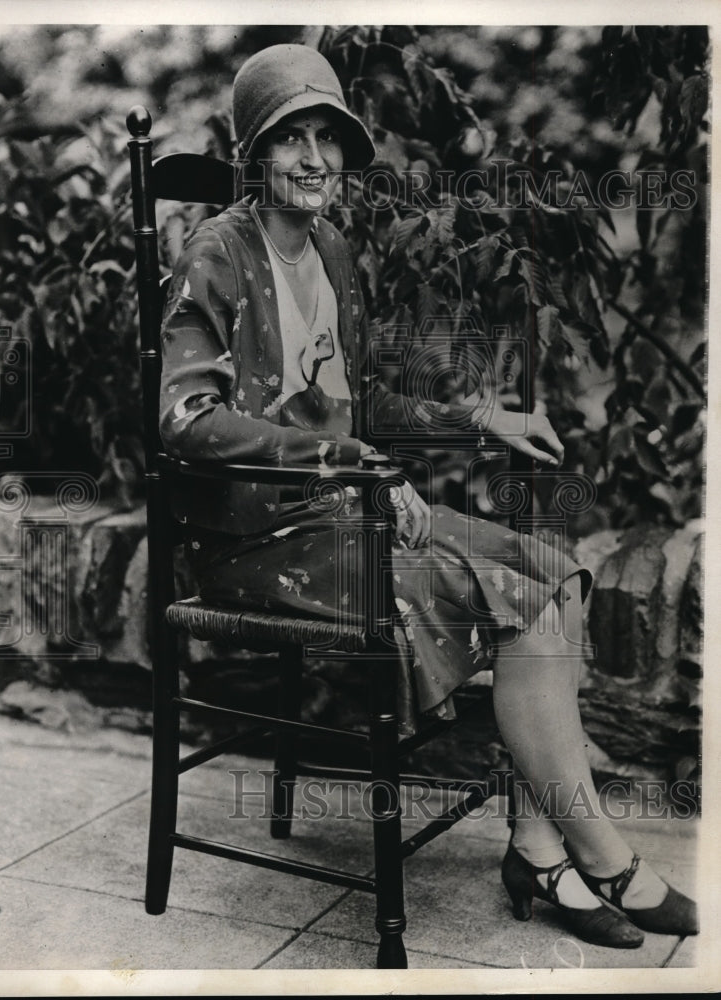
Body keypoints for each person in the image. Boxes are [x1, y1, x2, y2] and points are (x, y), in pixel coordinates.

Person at [158, 43, 697, 949]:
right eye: (291, 137)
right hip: (257, 539)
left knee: (554, 580)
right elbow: (186, 419)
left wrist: (482, 414)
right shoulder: (215, 254)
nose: (314, 159)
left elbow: (361, 400)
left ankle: (535, 843)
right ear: (255, 149)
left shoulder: (331, 247)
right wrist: (342, 459)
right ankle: (600, 852)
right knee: (512, 600)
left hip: (339, 508)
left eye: (328, 137)